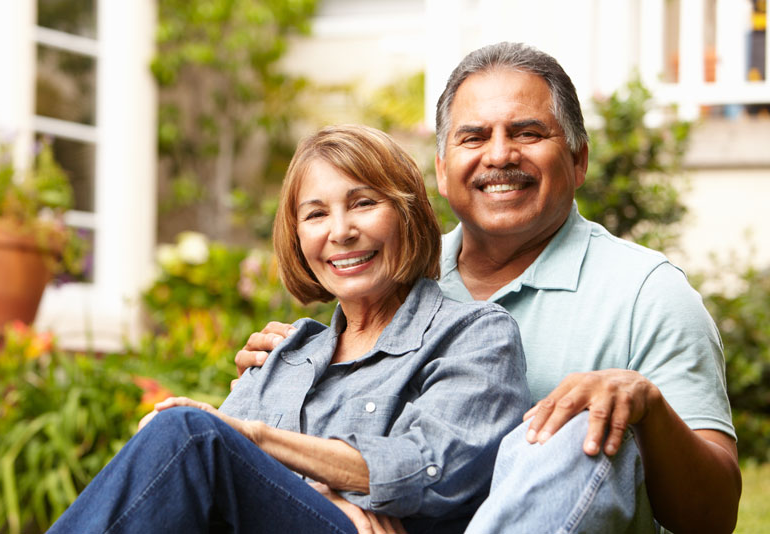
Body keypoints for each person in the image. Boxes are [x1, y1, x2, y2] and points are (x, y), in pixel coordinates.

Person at [237, 43, 741, 533]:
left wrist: (648, 409)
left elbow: (714, 518)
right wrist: (287, 377)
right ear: (441, 169)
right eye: (474, 137)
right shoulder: (388, 272)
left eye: (528, 133)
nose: (499, 155)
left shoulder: (647, 293)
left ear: (578, 159)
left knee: (575, 425)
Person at [47, 124, 530, 534]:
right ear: (298, 238)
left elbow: (428, 468)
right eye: (316, 214)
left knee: (189, 432)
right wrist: (329, 495)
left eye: (363, 203)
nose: (340, 231)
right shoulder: (286, 351)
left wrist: (258, 439)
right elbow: (218, 477)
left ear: (407, 215)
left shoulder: (475, 335)